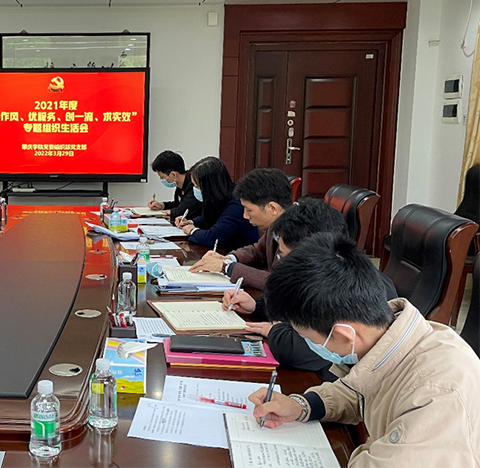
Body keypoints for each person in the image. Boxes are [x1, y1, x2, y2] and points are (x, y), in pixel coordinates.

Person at [247, 233, 480, 466]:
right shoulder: (391, 338)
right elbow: (360, 390)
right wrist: (301, 406)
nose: (307, 344)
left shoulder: (437, 394)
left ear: (342, 335)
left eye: (306, 337)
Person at [222, 199, 352, 378]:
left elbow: (297, 351)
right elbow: (289, 310)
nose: (281, 265)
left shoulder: (342, 289)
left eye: (284, 257)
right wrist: (256, 306)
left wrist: (274, 330)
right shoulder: (321, 275)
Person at [190, 168, 293, 288]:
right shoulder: (276, 224)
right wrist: (228, 258)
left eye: (249, 210)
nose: (245, 215)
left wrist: (226, 267)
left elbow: (280, 282)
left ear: (273, 208)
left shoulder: (300, 233)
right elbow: (256, 252)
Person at [178, 157, 259, 252]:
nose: (195, 190)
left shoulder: (237, 204)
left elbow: (213, 238)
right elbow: (213, 217)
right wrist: (191, 222)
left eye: (197, 186)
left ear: (210, 186)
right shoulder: (222, 195)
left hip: (236, 255)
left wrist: (192, 231)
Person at [146, 150, 201, 222]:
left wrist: (168, 212)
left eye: (162, 177)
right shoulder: (180, 186)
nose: (162, 180)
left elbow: (181, 210)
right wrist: (162, 205)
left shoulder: (194, 185)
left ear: (173, 175)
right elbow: (179, 204)